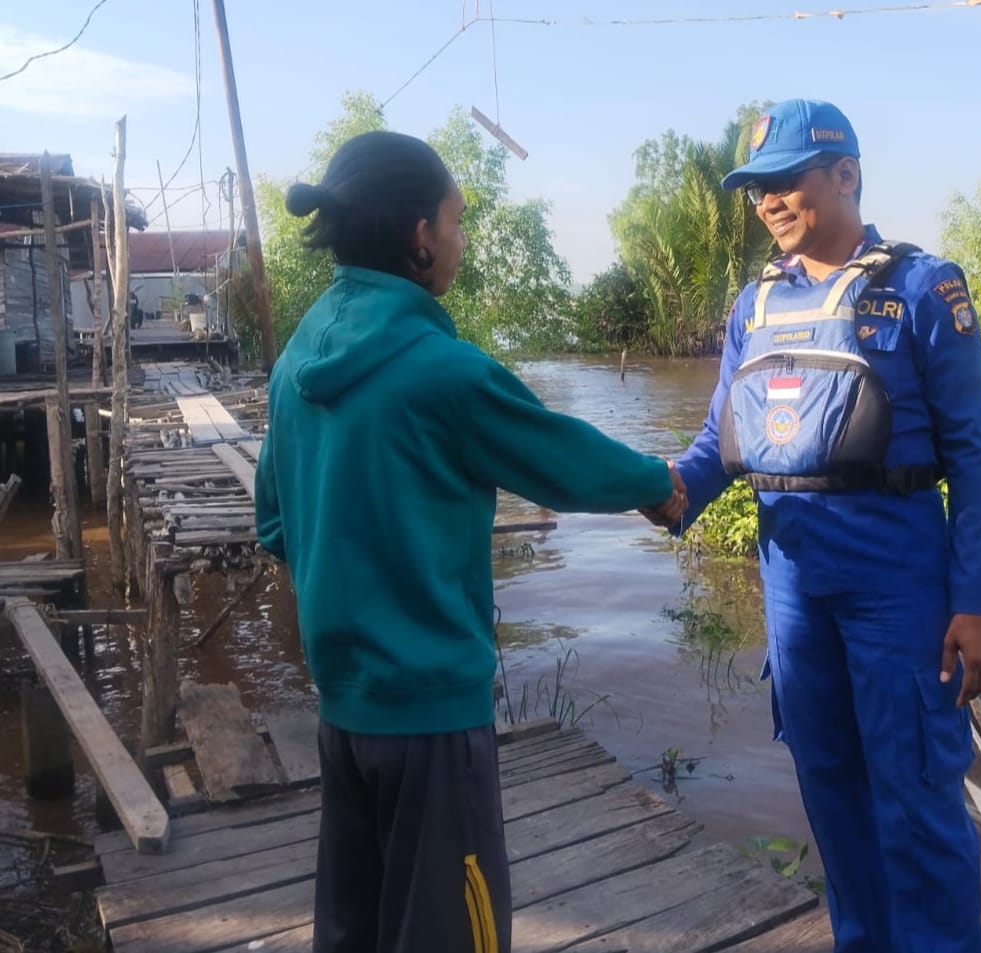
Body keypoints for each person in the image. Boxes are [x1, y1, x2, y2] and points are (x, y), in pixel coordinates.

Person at [254, 130, 686, 953]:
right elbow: (559, 457)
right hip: (431, 720)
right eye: (455, 221)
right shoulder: (442, 370)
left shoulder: (293, 362)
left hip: (343, 711)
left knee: (355, 929)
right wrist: (654, 482)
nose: (459, 238)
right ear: (420, 237)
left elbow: (274, 524)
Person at [656, 100, 981, 953]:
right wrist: (660, 489)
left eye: (785, 181)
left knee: (916, 798)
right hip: (794, 592)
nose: (768, 202)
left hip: (899, 587)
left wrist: (979, 602)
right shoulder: (755, 304)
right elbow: (718, 442)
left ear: (845, 174)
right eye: (755, 191)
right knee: (831, 791)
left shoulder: (924, 287)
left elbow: (972, 457)